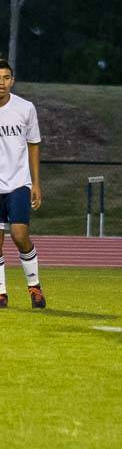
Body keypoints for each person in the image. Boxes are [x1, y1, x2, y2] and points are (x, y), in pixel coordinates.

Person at [0, 59, 45, 310]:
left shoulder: (25, 108)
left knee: (19, 235)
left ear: (12, 81)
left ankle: (34, 286)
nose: (1, 83)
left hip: (18, 183)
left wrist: (36, 183)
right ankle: (1, 293)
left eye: (6, 78)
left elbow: (34, 143)